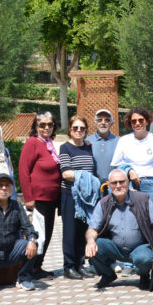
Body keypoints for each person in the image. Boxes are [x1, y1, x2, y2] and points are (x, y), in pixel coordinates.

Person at [85, 169, 153, 289]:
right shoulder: (103, 203)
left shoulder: (142, 199)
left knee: (144, 258)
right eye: (114, 183)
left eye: (121, 182)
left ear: (128, 183)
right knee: (94, 246)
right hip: (115, 248)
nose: (118, 186)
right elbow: (92, 228)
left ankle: (143, 275)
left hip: (139, 247)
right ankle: (108, 275)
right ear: (109, 184)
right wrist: (90, 241)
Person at [18, 111, 62, 279]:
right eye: (42, 125)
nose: (46, 127)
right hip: (38, 199)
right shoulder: (32, 143)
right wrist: (28, 198)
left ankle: (38, 267)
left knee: (48, 235)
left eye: (50, 124)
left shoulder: (48, 144)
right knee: (38, 235)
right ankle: (30, 268)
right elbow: (23, 171)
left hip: (51, 199)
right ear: (35, 127)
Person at [59, 115, 94, 280]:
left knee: (82, 231)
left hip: (86, 196)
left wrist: (84, 178)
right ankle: (69, 266)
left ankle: (80, 265)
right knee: (70, 231)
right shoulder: (65, 148)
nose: (79, 131)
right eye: (75, 128)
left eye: (82, 128)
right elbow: (66, 173)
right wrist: (87, 178)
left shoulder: (88, 147)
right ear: (70, 130)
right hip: (70, 195)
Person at [110, 107, 153, 205]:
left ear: (147, 121)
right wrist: (130, 171)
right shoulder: (123, 141)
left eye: (141, 120)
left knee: (149, 217)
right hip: (128, 185)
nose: (137, 123)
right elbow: (117, 165)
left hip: (151, 184)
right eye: (134, 121)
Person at [86, 109, 120, 184]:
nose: (103, 123)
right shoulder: (86, 141)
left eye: (107, 120)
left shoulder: (119, 142)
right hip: (93, 186)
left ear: (111, 123)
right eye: (99, 120)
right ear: (95, 123)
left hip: (113, 186)